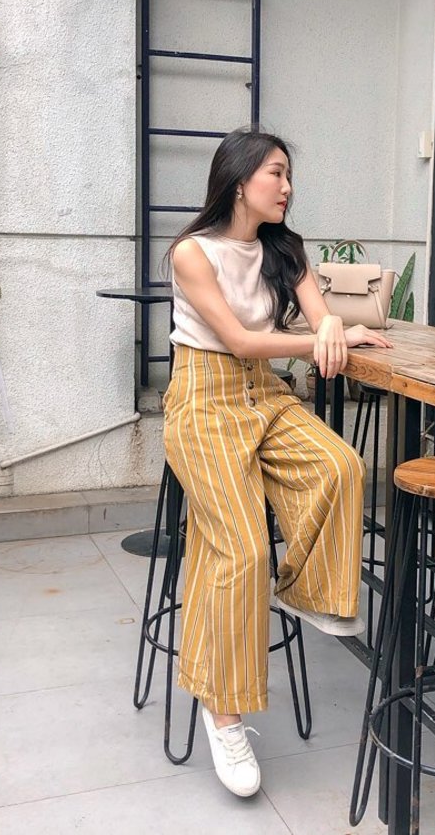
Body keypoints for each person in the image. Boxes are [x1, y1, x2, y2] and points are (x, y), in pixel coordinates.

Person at [163, 128, 394, 798]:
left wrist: (335, 327)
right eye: (277, 173)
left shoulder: (284, 249)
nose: (287, 187)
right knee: (237, 552)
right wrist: (316, 334)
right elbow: (238, 340)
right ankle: (223, 713)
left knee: (342, 465)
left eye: (288, 174)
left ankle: (304, 590)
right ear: (239, 181)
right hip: (204, 402)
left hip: (266, 397)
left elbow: (322, 319)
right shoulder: (192, 253)